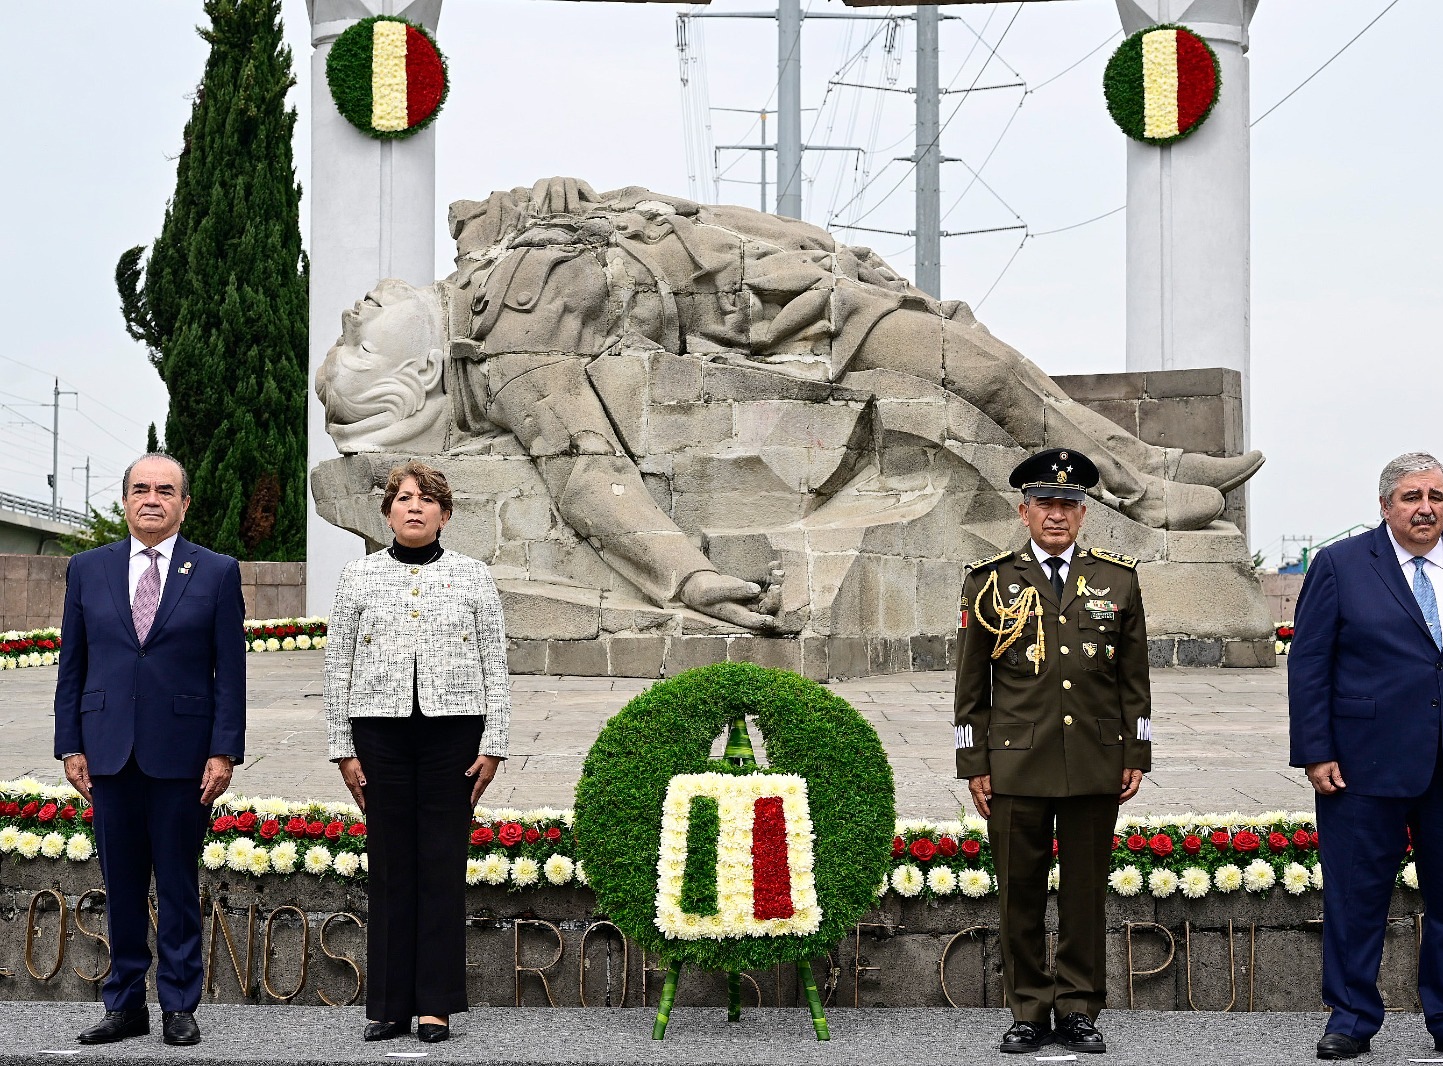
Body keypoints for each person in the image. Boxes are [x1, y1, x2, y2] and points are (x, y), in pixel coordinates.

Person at [314, 177, 1264, 630]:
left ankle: (1157, 465)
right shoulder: (514, 349)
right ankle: (1142, 495)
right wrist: (688, 577)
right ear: (415, 381)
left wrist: (546, 194)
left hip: (793, 265)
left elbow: (512, 199)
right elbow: (586, 475)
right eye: (355, 346)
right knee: (978, 369)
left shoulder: (484, 252)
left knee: (988, 349)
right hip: (789, 320)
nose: (355, 313)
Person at [1289, 452, 1443, 1062]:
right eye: (1410, 496)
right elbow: (1310, 661)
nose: (1425, 507)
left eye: (1436, 496)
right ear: (1384, 506)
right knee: (1355, 897)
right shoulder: (1341, 565)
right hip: (1362, 765)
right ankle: (1350, 1017)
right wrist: (1315, 750)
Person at [953, 447, 1152, 1054]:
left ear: (1084, 514)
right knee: (1018, 892)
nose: (1057, 515)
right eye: (1046, 504)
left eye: (1069, 505)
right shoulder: (990, 581)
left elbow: (1133, 679)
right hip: (1016, 761)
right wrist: (974, 761)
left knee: (1086, 893)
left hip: (1095, 760)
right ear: (1024, 511)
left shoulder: (1118, 580)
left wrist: (1135, 753)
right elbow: (970, 682)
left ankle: (1079, 1008)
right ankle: (1028, 1010)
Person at [53, 453, 245, 1047]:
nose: (152, 498)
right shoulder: (88, 569)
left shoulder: (215, 571)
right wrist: (70, 744)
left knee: (179, 886)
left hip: (183, 757)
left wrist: (224, 751)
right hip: (107, 752)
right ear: (127, 499)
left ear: (184, 504)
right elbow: (74, 662)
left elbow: (230, 674)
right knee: (123, 884)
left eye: (166, 490)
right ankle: (124, 1004)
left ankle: (179, 1005)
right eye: (141, 489)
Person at [323, 460, 511, 1044]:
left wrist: (494, 744)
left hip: (452, 735)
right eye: (404, 498)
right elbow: (337, 667)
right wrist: (343, 749)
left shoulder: (475, 576)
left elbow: (496, 666)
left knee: (439, 865)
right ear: (387, 513)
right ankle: (387, 1004)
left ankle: (435, 1003)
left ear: (445, 515)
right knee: (391, 866)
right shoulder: (358, 576)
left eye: (427, 500)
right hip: (378, 734)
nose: (414, 507)